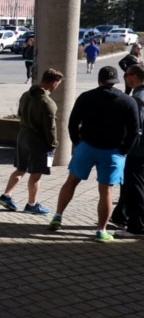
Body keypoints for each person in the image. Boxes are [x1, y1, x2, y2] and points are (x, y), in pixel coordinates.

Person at [49, 66, 140, 242]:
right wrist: (124, 151)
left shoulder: (85, 97)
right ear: (116, 82)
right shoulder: (128, 102)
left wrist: (78, 143)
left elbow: (72, 123)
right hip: (113, 151)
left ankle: (58, 216)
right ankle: (101, 230)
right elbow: (134, 131)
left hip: (87, 147)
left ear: (99, 80)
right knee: (106, 191)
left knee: (71, 181)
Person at [0, 68, 65, 214]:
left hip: (23, 136)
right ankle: (32, 204)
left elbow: (20, 114)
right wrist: (53, 145)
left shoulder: (25, 95)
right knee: (36, 173)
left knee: (20, 168)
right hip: (38, 141)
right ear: (53, 82)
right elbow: (50, 128)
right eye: (58, 83)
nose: (57, 86)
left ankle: (6, 195)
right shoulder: (48, 103)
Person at [113, 64, 144, 235]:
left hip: (137, 150)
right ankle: (120, 216)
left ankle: (137, 226)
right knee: (131, 186)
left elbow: (136, 127)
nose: (125, 78)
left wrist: (125, 146)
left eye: (127, 75)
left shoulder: (139, 97)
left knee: (135, 188)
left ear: (134, 77)